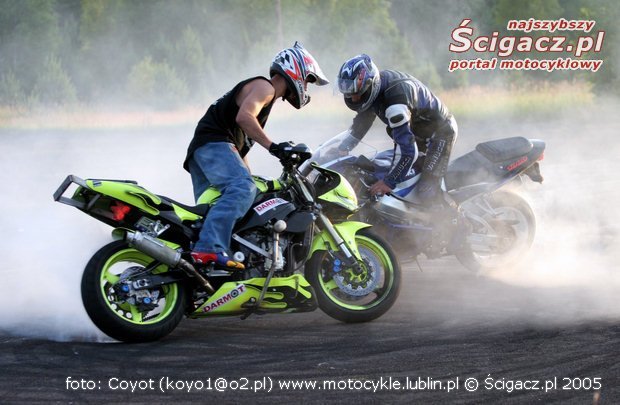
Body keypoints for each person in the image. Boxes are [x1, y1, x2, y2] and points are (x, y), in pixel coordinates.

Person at [184, 42, 328, 269]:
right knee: (243, 189)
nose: (307, 87)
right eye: (308, 80)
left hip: (203, 151)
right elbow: (244, 117)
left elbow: (239, 151)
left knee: (213, 207)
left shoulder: (264, 98)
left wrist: (251, 179)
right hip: (213, 145)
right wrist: (274, 148)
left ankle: (201, 261)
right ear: (296, 70)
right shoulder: (265, 87)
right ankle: (209, 247)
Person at [336, 54, 458, 207]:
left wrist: (389, 182)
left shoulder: (395, 102)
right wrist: (343, 148)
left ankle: (455, 219)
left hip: (440, 133)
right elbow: (363, 121)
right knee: (382, 170)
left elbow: (407, 151)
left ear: (370, 84)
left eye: (357, 93)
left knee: (426, 190)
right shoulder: (375, 88)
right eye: (349, 93)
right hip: (418, 132)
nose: (353, 99)